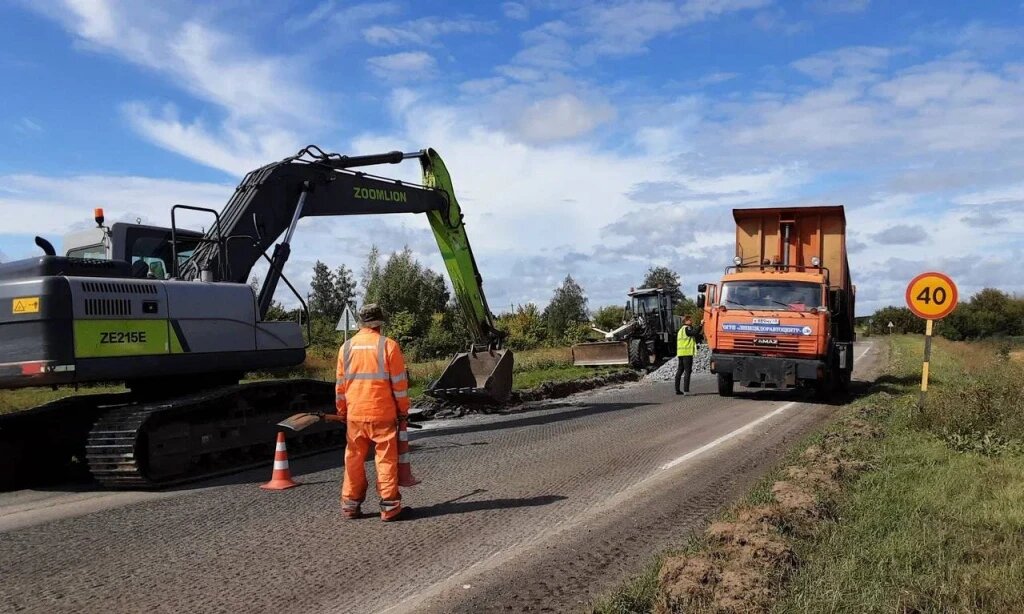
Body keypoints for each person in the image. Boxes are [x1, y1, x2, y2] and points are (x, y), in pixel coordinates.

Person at [335, 303, 411, 522]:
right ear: (380, 323)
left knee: (353, 459)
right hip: (382, 414)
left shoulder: (346, 348)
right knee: (385, 459)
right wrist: (403, 411)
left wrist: (342, 411)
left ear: (361, 323)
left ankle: (350, 505)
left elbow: (340, 386)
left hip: (355, 415)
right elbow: (399, 385)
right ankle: (389, 507)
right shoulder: (388, 346)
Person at [675, 315, 698, 395]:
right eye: (690, 320)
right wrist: (701, 325)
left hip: (681, 353)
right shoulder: (687, 328)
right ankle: (686, 390)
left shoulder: (680, 330)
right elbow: (695, 333)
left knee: (680, 371)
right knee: (687, 371)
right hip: (687, 353)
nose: (691, 321)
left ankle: (677, 390)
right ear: (686, 321)